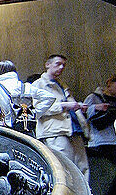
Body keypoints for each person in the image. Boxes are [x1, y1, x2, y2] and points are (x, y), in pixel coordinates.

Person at [33, 54, 91, 184]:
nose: (61, 67)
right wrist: (64, 106)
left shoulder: (62, 85)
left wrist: (78, 107)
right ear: (48, 64)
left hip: (74, 129)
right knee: (65, 168)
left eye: (63, 65)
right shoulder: (38, 85)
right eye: (58, 64)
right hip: (56, 131)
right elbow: (37, 110)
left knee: (82, 168)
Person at [0, 60, 54, 131]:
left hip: (4, 128)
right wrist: (35, 114)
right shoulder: (26, 86)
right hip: (25, 128)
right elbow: (50, 97)